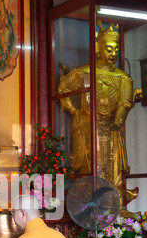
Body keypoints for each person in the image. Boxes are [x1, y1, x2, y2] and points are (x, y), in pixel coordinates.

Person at [57, 20, 142, 212]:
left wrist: (118, 120)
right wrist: (74, 111)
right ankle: (91, 207)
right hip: (88, 127)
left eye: (115, 50)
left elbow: (125, 102)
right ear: (98, 47)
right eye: (109, 49)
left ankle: (116, 204)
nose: (112, 54)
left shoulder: (123, 78)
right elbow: (62, 88)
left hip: (112, 129)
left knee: (114, 167)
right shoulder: (82, 72)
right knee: (90, 167)